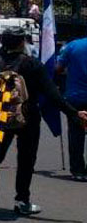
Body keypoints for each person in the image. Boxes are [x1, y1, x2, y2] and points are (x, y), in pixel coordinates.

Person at [0, 27, 87, 216]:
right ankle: (22, 200)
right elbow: (52, 93)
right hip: (28, 118)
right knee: (26, 160)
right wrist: (73, 113)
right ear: (22, 42)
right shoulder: (32, 65)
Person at [56, 34, 87, 181]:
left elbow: (58, 68)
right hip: (77, 94)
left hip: (76, 96)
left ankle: (78, 170)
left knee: (76, 134)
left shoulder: (73, 46)